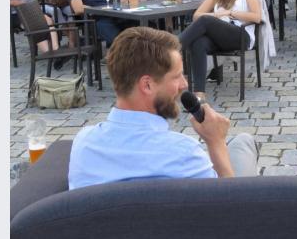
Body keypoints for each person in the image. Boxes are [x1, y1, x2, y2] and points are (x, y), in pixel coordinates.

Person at [68, 26, 258, 190]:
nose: (184, 84)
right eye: (177, 76)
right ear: (147, 85)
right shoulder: (184, 154)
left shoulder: (84, 144)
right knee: (243, 142)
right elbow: (230, 210)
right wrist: (216, 143)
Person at [178, 0, 262, 101]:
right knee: (198, 43)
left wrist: (230, 13)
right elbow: (197, 15)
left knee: (205, 20)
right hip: (219, 36)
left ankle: (172, 48)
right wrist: (217, 15)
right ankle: (199, 95)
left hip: (240, 35)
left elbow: (257, 17)